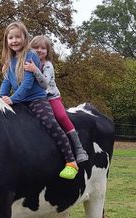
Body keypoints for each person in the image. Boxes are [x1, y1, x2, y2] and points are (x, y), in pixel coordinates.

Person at [0, 22, 79, 180]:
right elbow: (6, 82)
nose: (14, 40)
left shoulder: (30, 55)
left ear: (25, 38)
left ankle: (71, 161)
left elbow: (28, 84)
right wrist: (1, 98)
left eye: (18, 37)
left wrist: (12, 99)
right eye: (11, 37)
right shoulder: (9, 60)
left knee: (51, 123)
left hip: (36, 99)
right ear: (6, 40)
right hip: (20, 101)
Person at [24, 35, 88, 163]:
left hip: (50, 97)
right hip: (33, 98)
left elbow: (45, 83)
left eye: (43, 48)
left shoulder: (47, 65)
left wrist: (35, 70)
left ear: (47, 51)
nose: (39, 50)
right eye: (36, 47)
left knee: (61, 116)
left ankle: (79, 147)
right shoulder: (28, 63)